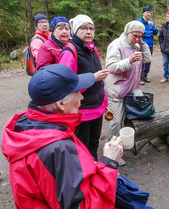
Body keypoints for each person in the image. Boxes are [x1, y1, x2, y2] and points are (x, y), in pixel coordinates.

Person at [2, 64, 123, 208]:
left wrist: (93, 166)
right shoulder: (58, 148)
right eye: (77, 92)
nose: (82, 97)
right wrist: (109, 163)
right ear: (60, 103)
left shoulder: (25, 128)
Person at [58, 14, 109, 161]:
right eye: (84, 28)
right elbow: (64, 84)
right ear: (75, 30)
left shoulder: (93, 49)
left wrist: (104, 101)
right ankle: (83, 175)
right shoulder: (70, 52)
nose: (89, 32)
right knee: (81, 147)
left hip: (97, 108)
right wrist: (92, 78)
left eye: (91, 28)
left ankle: (94, 170)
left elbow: (100, 81)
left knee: (94, 144)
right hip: (82, 111)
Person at [105, 20, 152, 165]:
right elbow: (111, 67)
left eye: (141, 36)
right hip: (117, 90)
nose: (138, 39)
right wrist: (129, 61)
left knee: (128, 118)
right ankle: (111, 153)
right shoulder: (116, 44)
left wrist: (143, 45)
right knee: (116, 121)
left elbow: (148, 59)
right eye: (135, 36)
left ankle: (124, 145)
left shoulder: (137, 45)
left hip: (131, 90)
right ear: (127, 32)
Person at [138, 6, 158, 85]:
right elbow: (140, 33)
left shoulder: (151, 22)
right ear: (143, 13)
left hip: (150, 44)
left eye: (149, 12)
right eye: (147, 12)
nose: (148, 14)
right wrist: (149, 33)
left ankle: (145, 75)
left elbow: (156, 33)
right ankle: (139, 78)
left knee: (148, 60)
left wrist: (152, 27)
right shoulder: (139, 21)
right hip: (142, 44)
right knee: (141, 61)